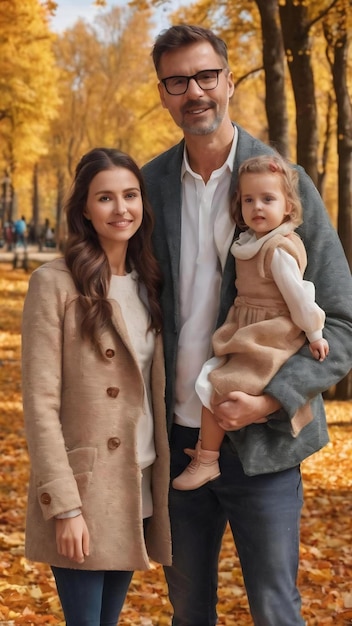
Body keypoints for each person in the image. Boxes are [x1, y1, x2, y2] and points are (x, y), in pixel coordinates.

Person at [141, 24, 352, 626]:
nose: (195, 92)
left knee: (276, 609)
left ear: (229, 81)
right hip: (179, 444)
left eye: (207, 76)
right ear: (163, 94)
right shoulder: (149, 187)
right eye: (177, 81)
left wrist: (270, 402)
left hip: (265, 444)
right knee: (188, 612)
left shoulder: (282, 184)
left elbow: (340, 321)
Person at [21, 147, 171, 626]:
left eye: (130, 195)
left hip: (136, 477)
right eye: (105, 198)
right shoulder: (55, 283)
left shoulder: (150, 283)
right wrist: (64, 506)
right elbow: (40, 404)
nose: (121, 208)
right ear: (84, 208)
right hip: (84, 489)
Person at [172, 153, 330, 490]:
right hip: (250, 327)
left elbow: (300, 298)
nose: (257, 207)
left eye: (268, 199)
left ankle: (207, 459)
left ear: (288, 206)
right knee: (216, 381)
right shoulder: (254, 243)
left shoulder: (277, 250)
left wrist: (315, 332)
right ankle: (210, 450)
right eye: (249, 200)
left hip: (270, 334)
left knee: (219, 385)